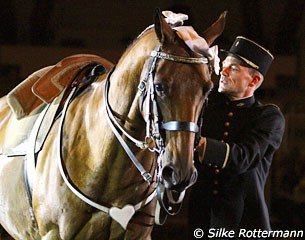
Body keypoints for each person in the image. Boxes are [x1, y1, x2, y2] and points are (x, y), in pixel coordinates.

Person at [188, 36, 285, 238]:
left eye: (233, 68)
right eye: (223, 65)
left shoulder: (268, 117)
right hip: (201, 220)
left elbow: (242, 158)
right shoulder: (207, 103)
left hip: (244, 224)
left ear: (255, 80)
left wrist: (194, 142)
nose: (222, 72)